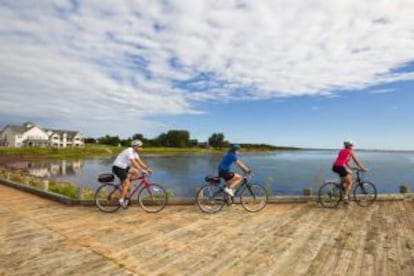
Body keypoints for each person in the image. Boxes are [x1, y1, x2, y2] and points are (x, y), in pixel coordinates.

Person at [112, 139, 151, 208]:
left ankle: (126, 185)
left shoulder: (135, 153)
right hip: (118, 167)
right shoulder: (129, 150)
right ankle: (121, 200)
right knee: (127, 183)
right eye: (140, 146)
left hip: (124, 167)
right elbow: (133, 162)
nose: (141, 148)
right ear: (135, 146)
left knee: (136, 171)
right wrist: (142, 170)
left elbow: (139, 161)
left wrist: (147, 168)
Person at [332, 139, 367, 206]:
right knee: (349, 182)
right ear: (349, 146)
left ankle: (338, 189)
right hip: (340, 167)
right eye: (352, 145)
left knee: (347, 176)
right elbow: (357, 161)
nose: (353, 146)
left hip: (335, 167)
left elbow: (344, 161)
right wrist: (362, 168)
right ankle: (345, 198)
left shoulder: (341, 151)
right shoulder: (350, 152)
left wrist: (350, 168)